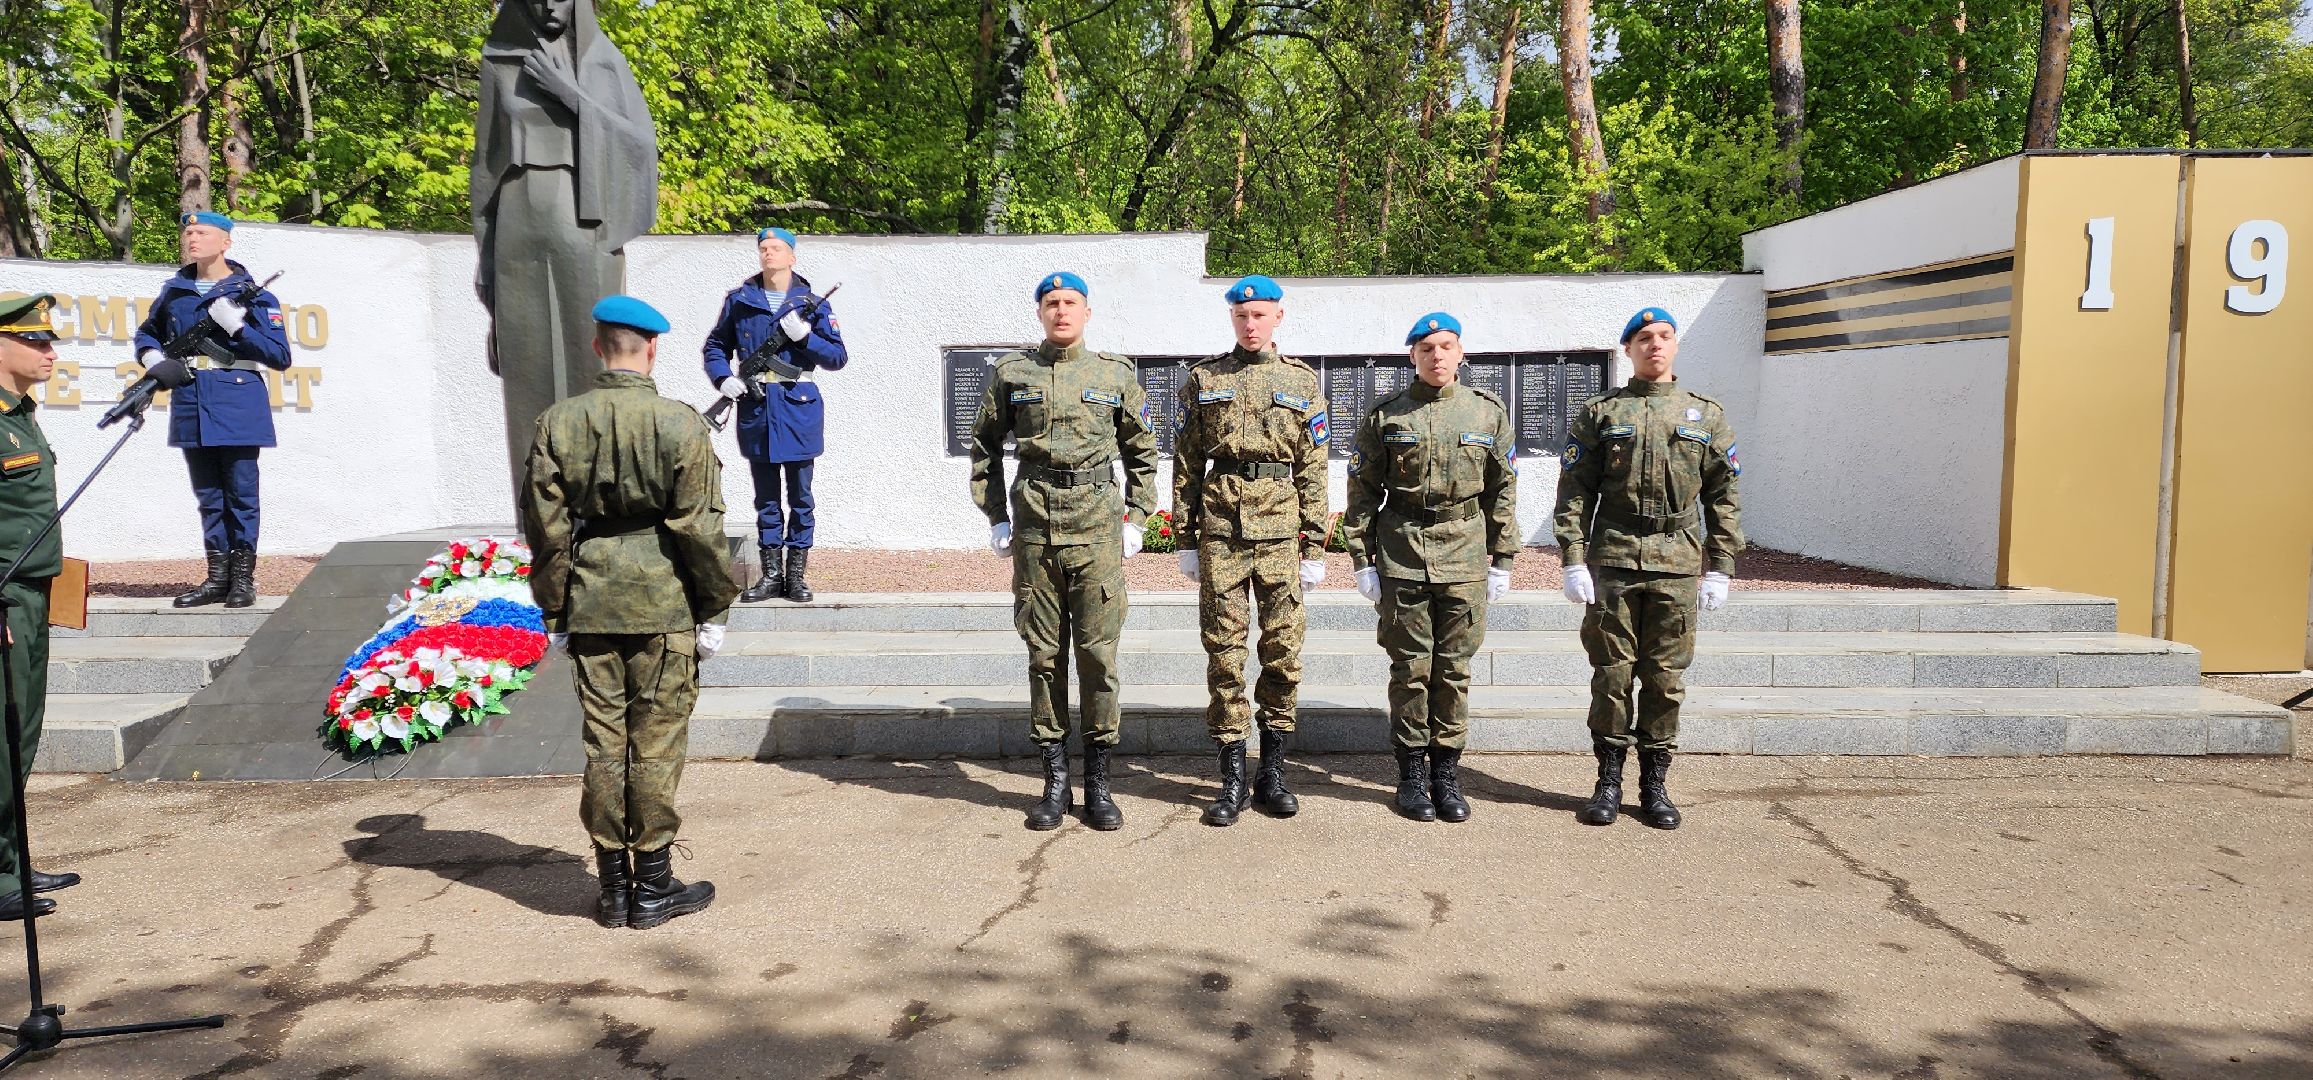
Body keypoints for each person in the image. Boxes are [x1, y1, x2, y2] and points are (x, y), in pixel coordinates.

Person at [520, 295, 739, 930]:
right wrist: (714, 607)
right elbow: (699, 527)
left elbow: (546, 527)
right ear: (652, 348)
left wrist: (556, 606)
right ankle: (652, 888)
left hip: (591, 596)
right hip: (663, 597)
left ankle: (614, 886)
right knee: (657, 743)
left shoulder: (558, 421)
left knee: (604, 744)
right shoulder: (679, 423)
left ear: (597, 348)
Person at [968, 272, 1158, 833]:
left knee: (1098, 656)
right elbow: (983, 448)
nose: (1060, 312)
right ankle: (1055, 783)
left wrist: (1138, 516)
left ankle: (1099, 783)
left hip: (1097, 527)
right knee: (1044, 654)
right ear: (1039, 312)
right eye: (1050, 303)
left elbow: (1141, 449)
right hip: (1034, 528)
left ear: (1086, 311)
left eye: (1070, 303)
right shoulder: (1012, 372)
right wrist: (997, 515)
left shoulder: (1114, 374)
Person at [1552, 307, 1743, 831]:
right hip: (1614, 555)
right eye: (1643, 338)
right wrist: (1572, 558)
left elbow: (1724, 497)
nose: (1653, 345)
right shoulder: (1601, 413)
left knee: (1664, 678)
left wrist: (1721, 566)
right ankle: (1607, 782)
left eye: (1663, 337)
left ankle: (1654, 785)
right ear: (1628, 350)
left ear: (1675, 346)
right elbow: (1574, 494)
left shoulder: (1706, 416)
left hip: (1677, 559)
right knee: (1612, 676)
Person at [472, 0, 657, 486]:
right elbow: (486, 166)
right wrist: (485, 258)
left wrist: (570, 96)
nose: (551, 5)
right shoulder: (500, 58)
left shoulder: (601, 60)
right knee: (528, 362)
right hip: (517, 215)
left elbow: (639, 146)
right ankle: (536, 510)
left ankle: (600, 498)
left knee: (588, 349)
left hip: (581, 215)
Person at [1342, 312, 1518, 823]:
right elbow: (1363, 491)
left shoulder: (1487, 414)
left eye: (1446, 346)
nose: (1436, 355)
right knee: (1411, 669)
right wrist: (1361, 558)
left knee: (1454, 670)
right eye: (1426, 348)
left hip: (1464, 552)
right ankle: (1412, 774)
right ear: (1412, 356)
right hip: (1401, 552)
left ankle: (1447, 772)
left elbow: (1503, 489)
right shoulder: (1388, 416)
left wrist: (1503, 557)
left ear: (1461, 353)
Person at [1170, 274, 1328, 827]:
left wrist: (1314, 544)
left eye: (1260, 314)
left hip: (1281, 531)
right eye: (1242, 316)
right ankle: (1232, 775)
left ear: (1278, 317)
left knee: (1283, 652)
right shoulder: (1204, 378)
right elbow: (1187, 461)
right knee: (1225, 654)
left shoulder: (1302, 382)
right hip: (1222, 529)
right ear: (1232, 319)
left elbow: (1312, 465)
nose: (1250, 323)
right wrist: (1185, 539)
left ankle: (1274, 772)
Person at [131, 211, 293, 610]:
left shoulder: (254, 294)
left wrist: (239, 329)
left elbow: (279, 356)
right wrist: (152, 358)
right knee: (208, 496)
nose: (192, 238)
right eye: (187, 231)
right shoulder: (174, 291)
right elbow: (147, 332)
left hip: (238, 401)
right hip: (190, 400)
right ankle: (216, 578)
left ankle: (242, 580)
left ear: (225, 242)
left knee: (241, 495)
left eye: (201, 232)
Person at [703, 227, 848, 604]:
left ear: (791, 257)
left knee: (801, 498)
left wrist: (804, 338)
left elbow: (836, 357)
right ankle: (770, 576)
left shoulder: (810, 303)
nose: (768, 254)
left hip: (798, 409)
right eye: (763, 248)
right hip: (756, 408)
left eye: (776, 248)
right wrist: (724, 380)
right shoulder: (741, 301)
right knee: (766, 500)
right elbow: (716, 346)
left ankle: (796, 576)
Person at [0, 294, 81, 919]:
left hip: (32, 593)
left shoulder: (21, 415)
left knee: (21, 733)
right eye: (34, 341)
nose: (49, 352)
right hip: (3, 597)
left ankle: (8, 859)